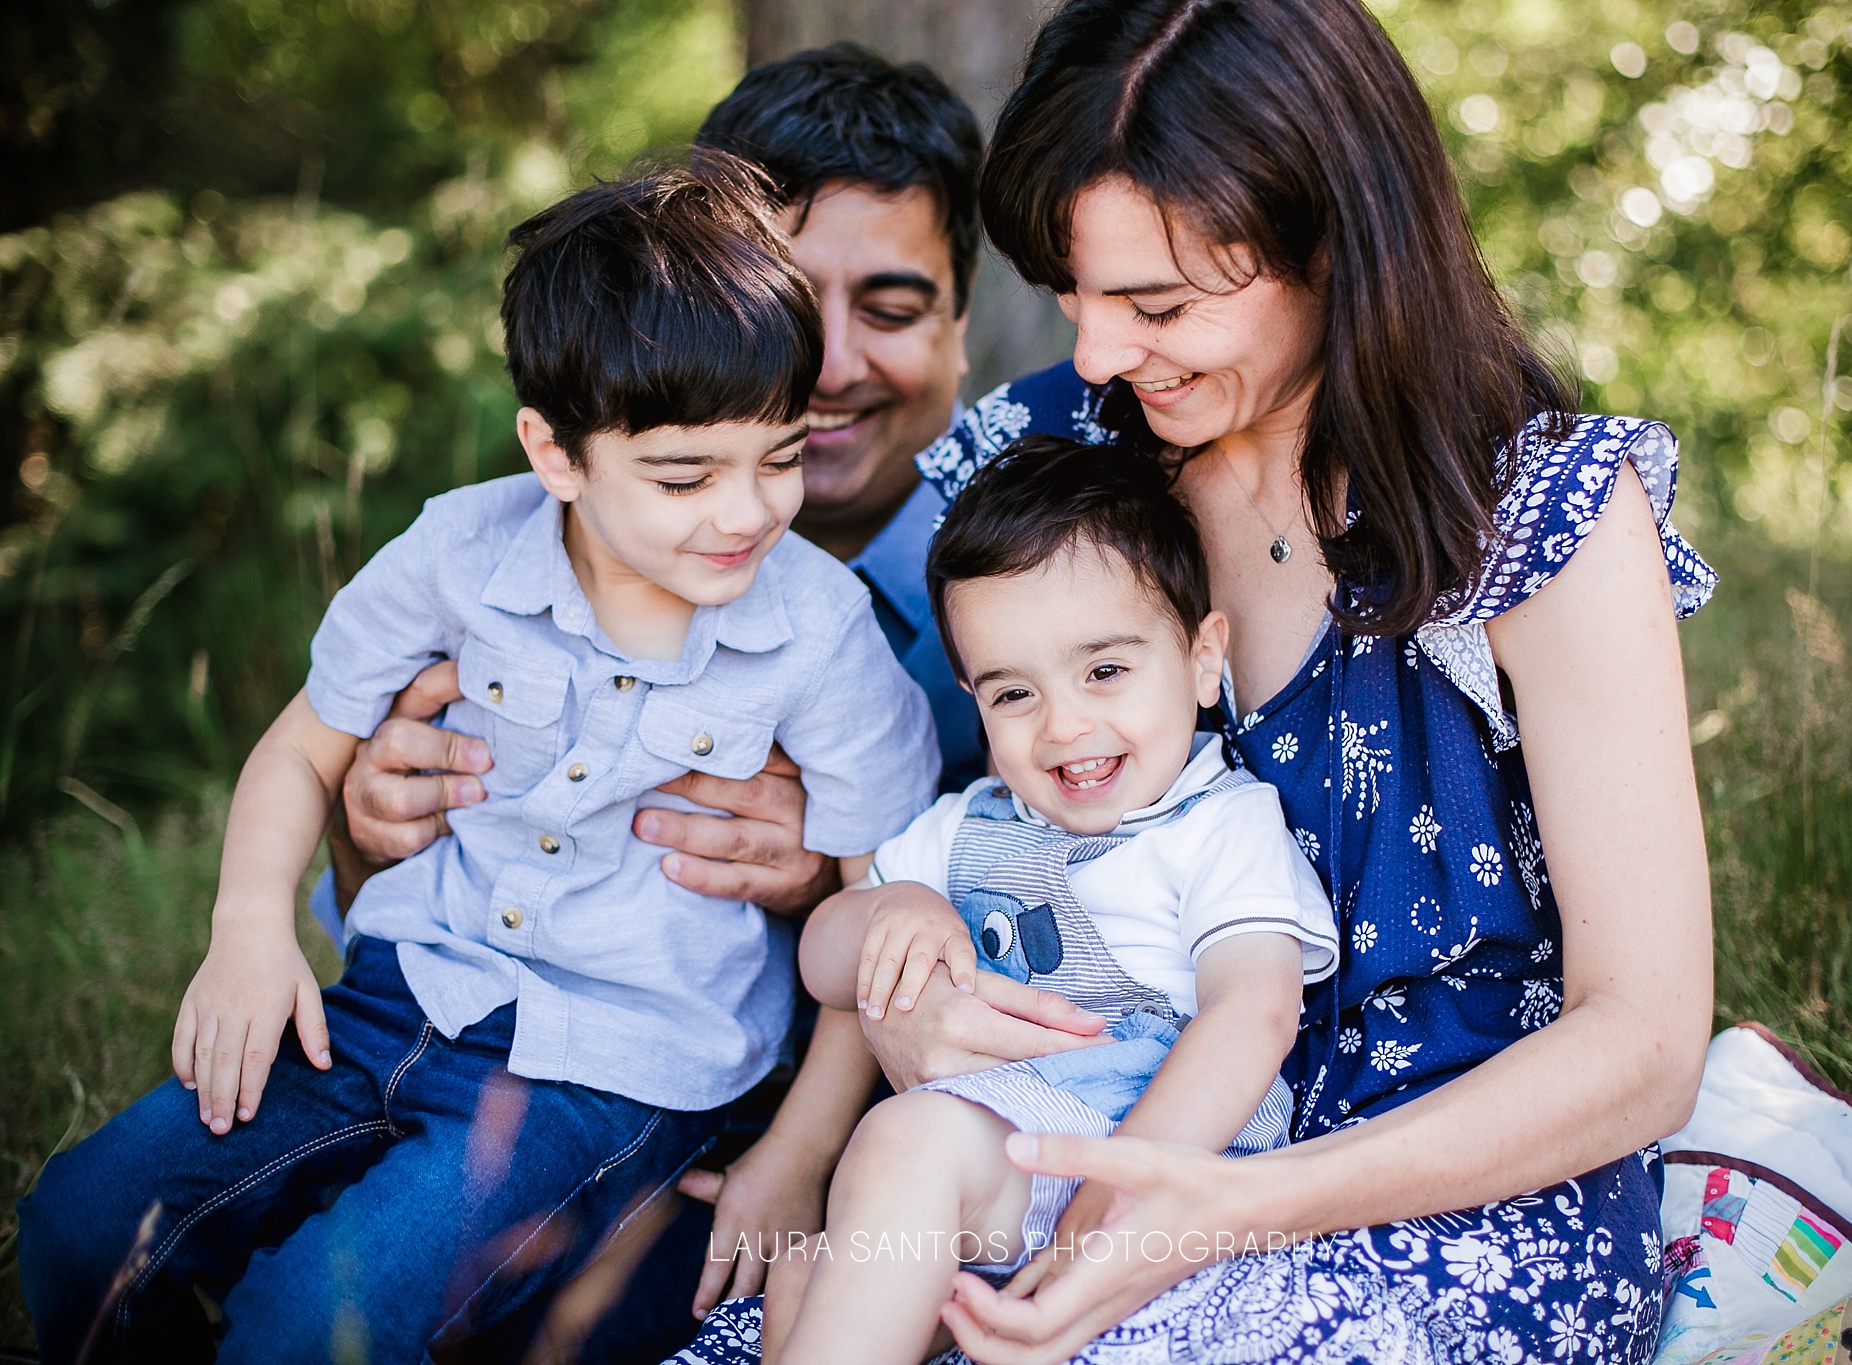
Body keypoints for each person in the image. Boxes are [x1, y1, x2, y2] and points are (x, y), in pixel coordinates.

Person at [682, 0, 1719, 1361]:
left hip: (1444, 1194)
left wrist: (1219, 1210)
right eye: (1073, 293)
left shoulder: (1541, 515)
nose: (1101, 354)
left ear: (1338, 243)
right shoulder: (1052, 452)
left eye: (1157, 303)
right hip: (1077, 1141)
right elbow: (910, 811)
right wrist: (912, 992)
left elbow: (1642, 1044)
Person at [14, 159, 938, 1364]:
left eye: (778, 457)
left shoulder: (816, 630)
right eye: (683, 475)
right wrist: (249, 932)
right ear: (553, 454)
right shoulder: (459, 550)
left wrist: (794, 1158)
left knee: (316, 1319)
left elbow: (879, 917)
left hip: (611, 1069)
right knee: (82, 1225)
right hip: (400, 993)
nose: (747, 512)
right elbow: (303, 746)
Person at [322, 45, 991, 961]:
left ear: (959, 328)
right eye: (786, 315)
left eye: (889, 308)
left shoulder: (1051, 571)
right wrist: (364, 830)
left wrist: (832, 883)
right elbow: (358, 895)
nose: (827, 366)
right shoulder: (532, 545)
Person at [761, 437, 1338, 1364]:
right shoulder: (963, 828)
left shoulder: (1220, 823)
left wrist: (1109, 1205)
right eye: (1015, 692)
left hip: (1153, 1153)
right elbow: (824, 965)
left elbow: (1255, 1011)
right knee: (802, 1270)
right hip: (992, 1166)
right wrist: (891, 909)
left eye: (1105, 671)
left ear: (1200, 658)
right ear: (973, 699)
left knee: (900, 1146)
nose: (1064, 724)